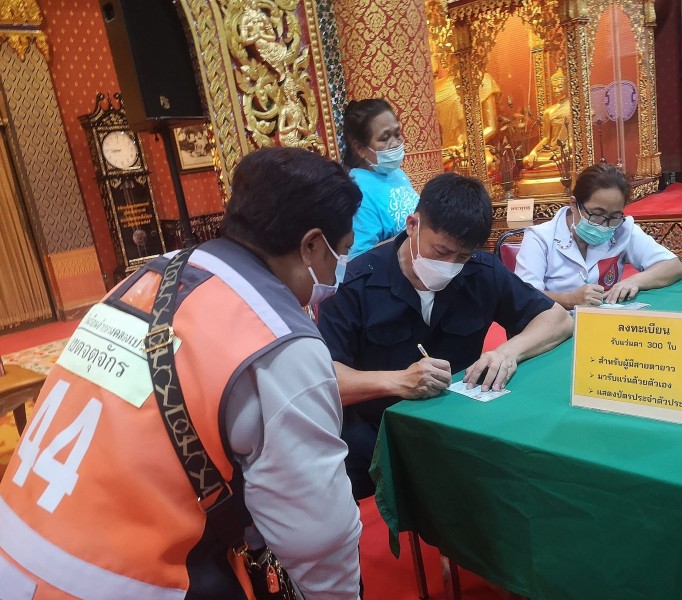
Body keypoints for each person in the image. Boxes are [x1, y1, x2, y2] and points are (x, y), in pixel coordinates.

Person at [0, 147, 362, 599]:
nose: (340, 268)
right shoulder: (276, 341)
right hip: (119, 581)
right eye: (342, 252)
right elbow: (318, 535)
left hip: (16, 549)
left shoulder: (147, 278)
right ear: (311, 245)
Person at [318, 172, 574, 500]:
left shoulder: (481, 271)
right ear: (413, 225)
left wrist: (508, 352)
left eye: (462, 256)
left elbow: (557, 320)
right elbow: (327, 380)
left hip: (460, 425)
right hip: (379, 430)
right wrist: (398, 382)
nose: (450, 265)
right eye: (441, 251)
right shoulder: (354, 283)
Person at [515, 162, 682, 309]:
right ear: (574, 204)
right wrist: (569, 299)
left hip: (604, 321)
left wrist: (634, 281)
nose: (604, 224)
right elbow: (524, 296)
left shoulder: (622, 228)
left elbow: (672, 266)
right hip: (557, 322)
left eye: (614, 216)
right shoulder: (539, 238)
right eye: (597, 214)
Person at [343, 98, 419, 259]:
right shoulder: (356, 190)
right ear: (360, 148)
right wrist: (411, 239)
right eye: (385, 138)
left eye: (397, 134)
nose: (395, 143)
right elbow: (359, 258)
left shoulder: (397, 174)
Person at [522, 67, 571, 170]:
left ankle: (555, 164)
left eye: (560, 87)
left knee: (571, 158)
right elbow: (546, 138)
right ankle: (554, 165)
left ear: (567, 86)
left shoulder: (574, 107)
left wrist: (570, 146)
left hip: (568, 150)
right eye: (554, 87)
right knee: (526, 161)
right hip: (553, 151)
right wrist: (534, 151)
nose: (556, 90)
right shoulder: (549, 111)